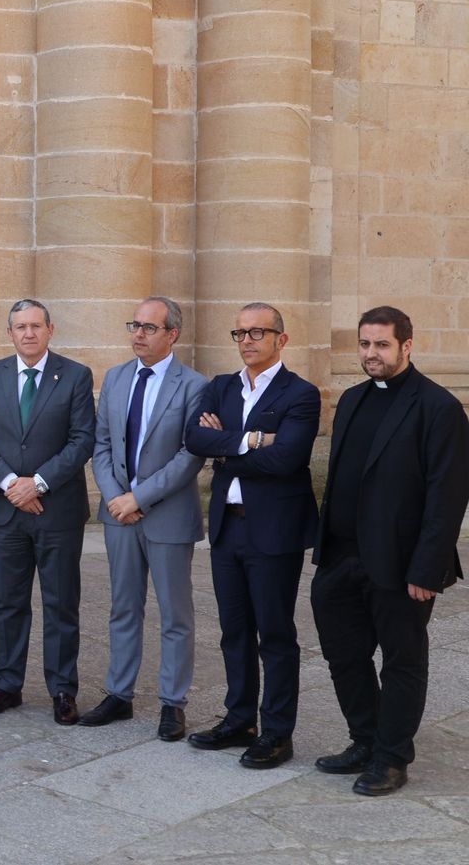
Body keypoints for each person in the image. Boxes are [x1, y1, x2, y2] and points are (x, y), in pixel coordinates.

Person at [310, 306, 469, 795]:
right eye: (364, 344)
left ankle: (393, 757)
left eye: (381, 344)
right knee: (344, 656)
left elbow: (448, 497)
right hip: (340, 557)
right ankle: (365, 739)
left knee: (402, 662)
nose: (371, 354)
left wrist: (428, 567)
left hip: (401, 566)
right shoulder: (353, 399)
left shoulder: (438, 407)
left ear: (407, 345)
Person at [184, 302, 319, 770]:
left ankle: (278, 732)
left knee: (276, 634)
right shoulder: (220, 387)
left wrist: (228, 447)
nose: (247, 340)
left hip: (273, 531)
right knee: (234, 630)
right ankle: (240, 718)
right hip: (227, 527)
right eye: (240, 333)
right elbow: (194, 439)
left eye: (258, 332)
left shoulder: (301, 393)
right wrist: (256, 438)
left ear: (281, 339)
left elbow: (287, 460)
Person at [0, 298, 94, 724]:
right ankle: (7, 685)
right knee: (9, 602)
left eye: (36, 326)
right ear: (10, 333)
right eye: (20, 327)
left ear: (50, 330)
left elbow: (81, 441)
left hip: (56, 511)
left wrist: (35, 483)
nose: (29, 333)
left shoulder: (74, 375)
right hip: (6, 513)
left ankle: (62, 689)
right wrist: (9, 484)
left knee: (60, 604)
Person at [83, 297, 206, 740]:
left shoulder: (193, 385)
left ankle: (173, 703)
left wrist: (139, 497)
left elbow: (191, 454)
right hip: (120, 516)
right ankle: (119, 693)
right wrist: (116, 497)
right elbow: (101, 444)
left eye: (149, 327)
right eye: (134, 325)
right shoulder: (116, 378)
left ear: (172, 334)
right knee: (123, 607)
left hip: (167, 516)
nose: (138, 333)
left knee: (175, 614)